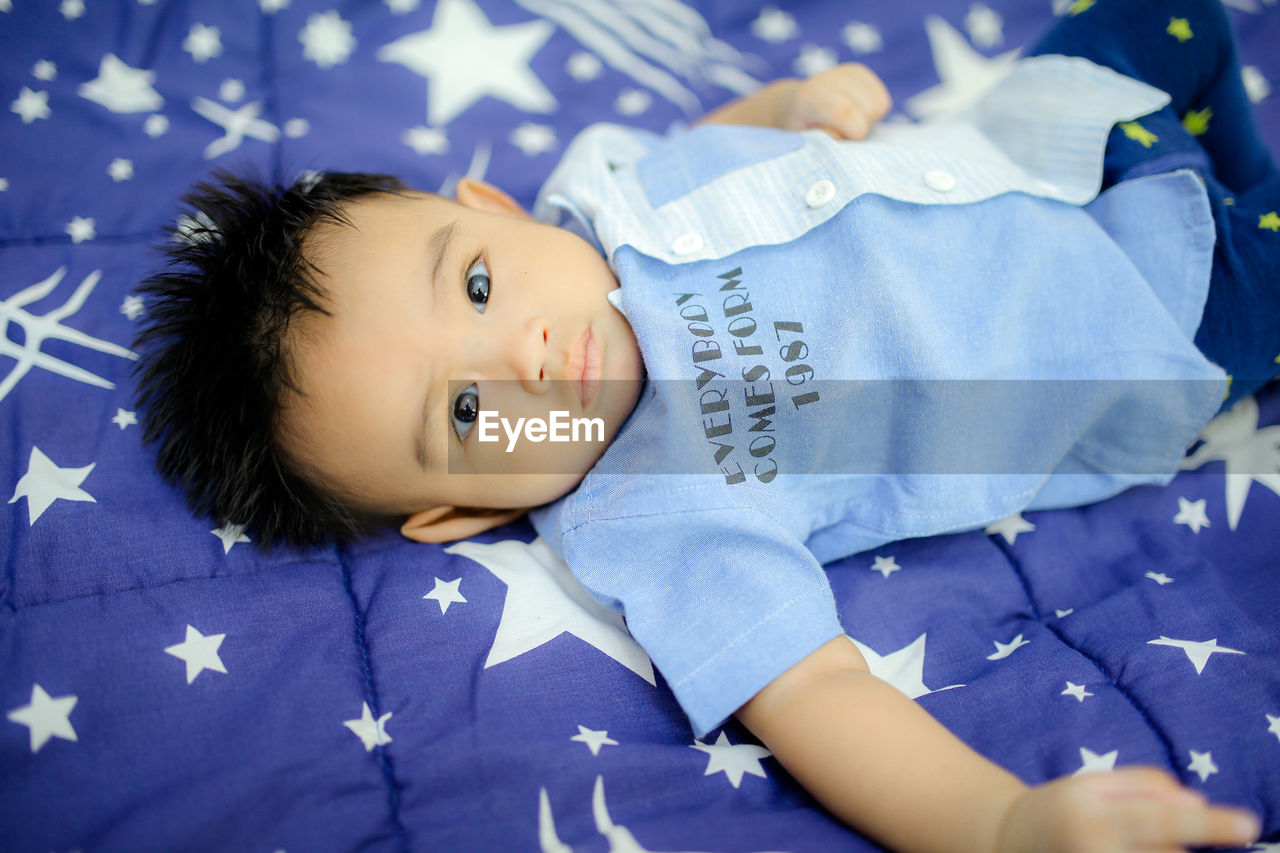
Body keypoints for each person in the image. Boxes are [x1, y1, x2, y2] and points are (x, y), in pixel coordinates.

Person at [134, 0, 1276, 848]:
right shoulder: (655, 519)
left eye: (477, 286)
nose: (519, 352)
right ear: (465, 509)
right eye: (468, 410)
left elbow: (717, 134)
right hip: (1161, 306)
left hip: (1049, 134)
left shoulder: (602, 187)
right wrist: (1001, 821)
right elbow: (817, 696)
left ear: (492, 209)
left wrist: (788, 111)